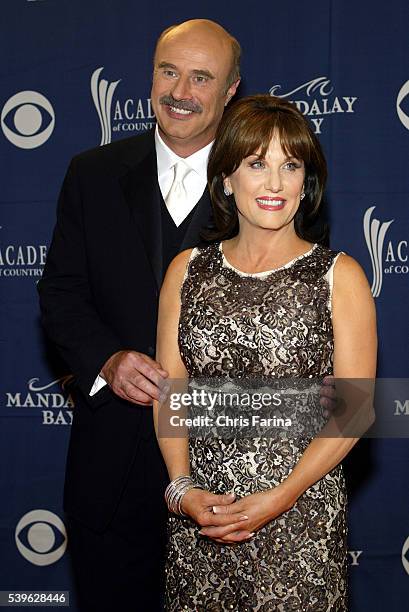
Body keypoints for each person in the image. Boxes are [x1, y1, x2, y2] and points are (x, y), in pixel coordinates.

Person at [38, 19, 242, 612]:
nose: (180, 90)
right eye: (168, 71)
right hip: (112, 469)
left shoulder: (265, 180)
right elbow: (61, 293)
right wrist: (108, 358)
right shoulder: (91, 173)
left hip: (230, 472)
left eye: (201, 77)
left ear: (230, 91)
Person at [154, 94, 377, 610]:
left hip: (300, 520)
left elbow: (358, 406)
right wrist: (181, 490)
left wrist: (280, 498)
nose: (275, 183)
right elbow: (173, 393)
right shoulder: (186, 271)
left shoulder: (338, 276)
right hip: (201, 523)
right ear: (228, 179)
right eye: (257, 164)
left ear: (307, 184)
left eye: (290, 166)